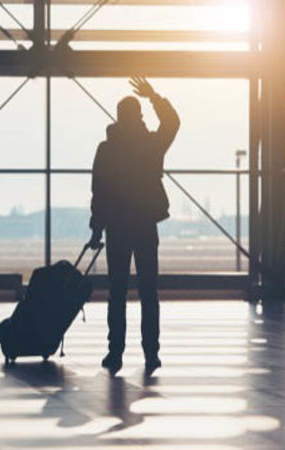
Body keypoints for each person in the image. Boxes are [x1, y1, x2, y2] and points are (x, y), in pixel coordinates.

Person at [88, 76, 180, 375]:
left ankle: (115, 353)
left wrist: (96, 226)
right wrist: (154, 96)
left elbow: (98, 190)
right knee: (148, 291)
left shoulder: (107, 149)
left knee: (117, 292)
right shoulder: (151, 145)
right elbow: (173, 123)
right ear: (139, 117)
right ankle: (151, 353)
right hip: (144, 225)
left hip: (117, 228)